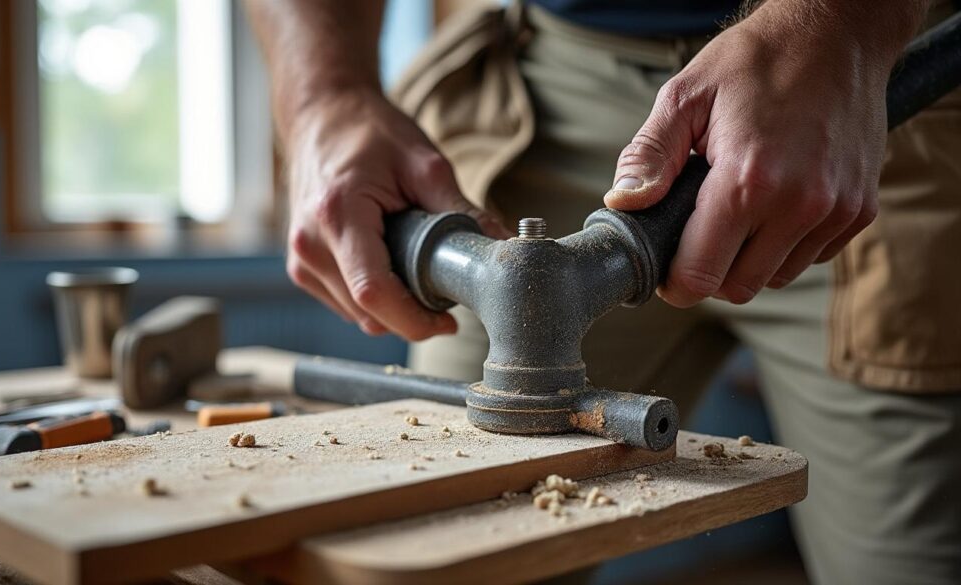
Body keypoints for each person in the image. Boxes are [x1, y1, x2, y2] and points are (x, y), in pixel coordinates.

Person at [245, 1, 961, 583]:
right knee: (439, 556)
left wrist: (841, 28)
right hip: (554, 88)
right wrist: (322, 98)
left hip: (860, 91)